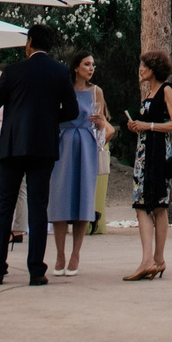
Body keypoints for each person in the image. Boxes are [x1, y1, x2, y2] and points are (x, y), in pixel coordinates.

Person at [0, 22, 76, 286]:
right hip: (43, 147)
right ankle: (36, 269)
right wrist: (48, 119)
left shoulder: (14, 71)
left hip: (12, 145)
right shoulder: (60, 72)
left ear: (30, 42)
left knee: (4, 206)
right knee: (38, 207)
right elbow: (71, 111)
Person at [48, 49, 112, 276]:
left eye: (93, 64)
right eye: (87, 64)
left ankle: (76, 253)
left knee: (83, 197)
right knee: (60, 197)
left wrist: (100, 122)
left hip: (86, 144)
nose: (91, 68)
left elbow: (103, 125)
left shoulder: (97, 92)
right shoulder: (63, 89)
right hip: (64, 143)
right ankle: (59, 254)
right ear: (76, 67)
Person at [125, 50, 172, 280]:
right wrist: (138, 127)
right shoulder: (150, 92)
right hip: (145, 154)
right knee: (152, 205)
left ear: (155, 69)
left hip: (157, 155)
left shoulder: (167, 90)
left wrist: (148, 126)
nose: (141, 69)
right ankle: (156, 260)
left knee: (149, 205)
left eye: (145, 66)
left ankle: (150, 260)